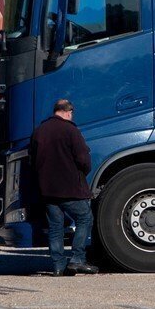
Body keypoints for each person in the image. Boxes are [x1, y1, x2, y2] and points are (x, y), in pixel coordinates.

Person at [32, 97, 97, 276]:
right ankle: (77, 259)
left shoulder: (40, 130)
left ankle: (58, 266)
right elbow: (83, 159)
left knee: (55, 227)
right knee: (85, 218)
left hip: (47, 189)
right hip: (70, 188)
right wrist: (83, 173)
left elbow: (32, 159)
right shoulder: (71, 130)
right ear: (68, 112)